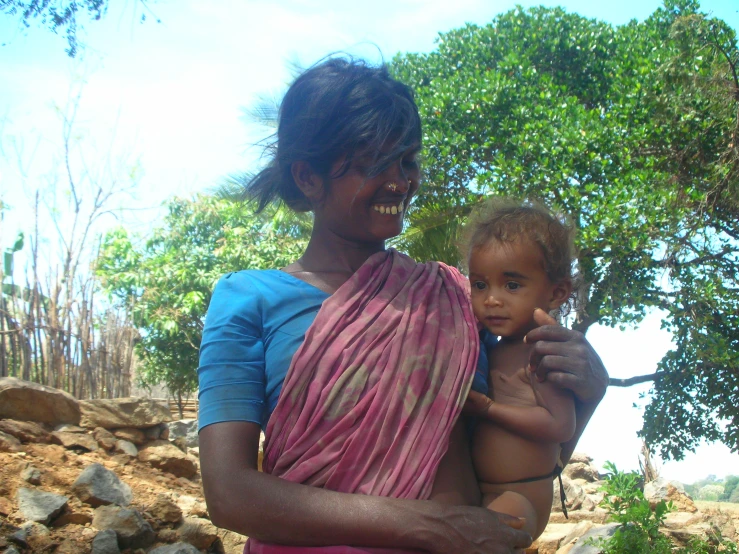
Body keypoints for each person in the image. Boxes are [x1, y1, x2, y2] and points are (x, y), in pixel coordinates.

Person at [197, 56, 609, 554]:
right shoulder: (249, 299)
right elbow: (230, 494)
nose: (399, 181)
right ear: (308, 176)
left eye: (407, 160)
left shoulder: (458, 296)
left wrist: (589, 391)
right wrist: (427, 526)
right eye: (374, 163)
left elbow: (520, 461)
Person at [462, 198, 578, 539]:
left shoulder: (542, 351)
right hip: (477, 490)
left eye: (511, 285)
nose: (492, 299)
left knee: (481, 541)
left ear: (556, 293)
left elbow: (560, 425)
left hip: (520, 495)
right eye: (480, 285)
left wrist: (488, 409)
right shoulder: (487, 346)